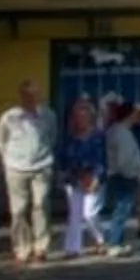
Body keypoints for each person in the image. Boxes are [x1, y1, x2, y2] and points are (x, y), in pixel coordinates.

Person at [0, 82, 57, 265]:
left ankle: (41, 246)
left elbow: (52, 137)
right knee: (18, 210)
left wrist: (45, 156)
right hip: (16, 166)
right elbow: (1, 141)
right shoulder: (9, 117)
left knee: (41, 204)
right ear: (21, 96)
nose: (32, 99)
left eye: (36, 95)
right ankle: (22, 248)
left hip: (42, 164)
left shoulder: (48, 115)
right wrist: (8, 160)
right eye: (28, 95)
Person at [56, 99, 107, 258]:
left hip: (94, 179)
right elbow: (63, 159)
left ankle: (101, 239)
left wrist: (96, 178)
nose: (80, 120)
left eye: (84, 117)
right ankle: (73, 248)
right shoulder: (69, 138)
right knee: (75, 215)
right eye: (77, 117)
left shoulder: (99, 136)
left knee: (90, 213)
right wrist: (65, 174)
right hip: (74, 179)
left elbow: (103, 159)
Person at [100, 102, 140, 257]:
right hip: (124, 176)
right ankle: (114, 243)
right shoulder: (122, 133)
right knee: (122, 210)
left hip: (117, 174)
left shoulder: (115, 131)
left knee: (120, 210)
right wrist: (134, 173)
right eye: (134, 113)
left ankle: (118, 242)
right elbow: (125, 159)